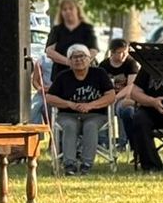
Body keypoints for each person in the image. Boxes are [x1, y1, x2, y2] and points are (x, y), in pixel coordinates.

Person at [43, 44, 115, 173]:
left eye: (82, 56)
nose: (78, 60)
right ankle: (69, 164)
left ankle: (86, 164)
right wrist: (68, 104)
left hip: (95, 115)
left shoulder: (99, 73)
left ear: (89, 59)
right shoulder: (63, 76)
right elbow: (49, 97)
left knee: (90, 126)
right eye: (74, 57)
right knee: (69, 126)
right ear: (69, 61)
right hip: (68, 115)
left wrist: (91, 105)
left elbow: (110, 96)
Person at [98, 37, 141, 152]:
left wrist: (116, 97)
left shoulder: (131, 64)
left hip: (123, 96)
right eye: (119, 53)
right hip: (107, 97)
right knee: (102, 110)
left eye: (125, 53)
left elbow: (130, 86)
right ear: (112, 52)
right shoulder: (104, 65)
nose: (122, 56)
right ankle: (103, 141)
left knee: (123, 109)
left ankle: (123, 142)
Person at [45, 0, 97, 69]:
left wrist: (82, 63)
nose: (68, 11)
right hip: (61, 74)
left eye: (71, 8)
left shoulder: (87, 29)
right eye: (64, 9)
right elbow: (49, 51)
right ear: (61, 12)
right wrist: (68, 62)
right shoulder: (56, 30)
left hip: (84, 73)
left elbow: (94, 50)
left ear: (77, 10)